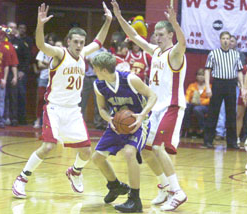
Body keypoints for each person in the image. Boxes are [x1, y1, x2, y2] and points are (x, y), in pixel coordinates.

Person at [12, 2, 112, 198]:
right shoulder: (60, 54)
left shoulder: (83, 54)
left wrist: (108, 21)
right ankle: (22, 178)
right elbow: (41, 45)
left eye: (82, 42)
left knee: (85, 152)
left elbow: (99, 41)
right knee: (48, 146)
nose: (79, 45)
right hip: (55, 109)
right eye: (75, 41)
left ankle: (74, 172)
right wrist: (40, 25)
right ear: (68, 42)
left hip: (73, 110)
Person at [112, 0, 187, 211]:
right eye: (156, 33)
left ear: (170, 35)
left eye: (162, 33)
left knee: (157, 147)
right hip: (155, 109)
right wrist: (119, 17)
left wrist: (174, 22)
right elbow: (134, 36)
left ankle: (177, 192)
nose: (157, 36)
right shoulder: (155, 51)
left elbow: (182, 43)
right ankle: (164, 187)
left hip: (171, 107)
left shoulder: (175, 53)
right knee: (144, 150)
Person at [91, 52, 157, 213]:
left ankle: (135, 199)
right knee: (97, 158)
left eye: (95, 69)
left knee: (129, 153)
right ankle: (115, 186)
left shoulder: (130, 79)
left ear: (104, 70)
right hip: (117, 122)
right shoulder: (99, 85)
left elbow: (152, 95)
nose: (94, 72)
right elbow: (101, 108)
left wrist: (142, 115)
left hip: (138, 121)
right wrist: (109, 120)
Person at [203, 31, 244, 149]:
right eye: (224, 38)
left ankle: (231, 142)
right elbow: (207, 70)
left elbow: (240, 71)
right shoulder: (213, 53)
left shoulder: (235, 54)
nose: (226, 40)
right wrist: (207, 86)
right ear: (220, 40)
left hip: (231, 84)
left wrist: (242, 86)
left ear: (230, 41)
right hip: (218, 83)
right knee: (213, 112)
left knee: (231, 113)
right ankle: (208, 141)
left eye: (228, 38)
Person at [80, 47, 107, 130]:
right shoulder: (87, 50)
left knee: (98, 101)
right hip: (86, 77)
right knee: (82, 101)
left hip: (98, 77)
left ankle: (98, 123)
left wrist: (93, 62)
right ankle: (80, 121)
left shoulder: (104, 51)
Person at [33, 33, 56, 129]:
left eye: (52, 40)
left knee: (52, 101)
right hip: (43, 77)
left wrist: (47, 64)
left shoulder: (57, 52)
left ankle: (50, 122)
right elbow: (39, 65)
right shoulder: (43, 51)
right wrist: (49, 64)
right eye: (49, 40)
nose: (50, 41)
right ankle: (38, 119)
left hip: (54, 79)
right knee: (40, 99)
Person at [183, 68, 210, 137]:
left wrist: (200, 102)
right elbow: (187, 95)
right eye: (199, 75)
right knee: (186, 107)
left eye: (203, 75)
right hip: (193, 104)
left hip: (204, 106)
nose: (201, 77)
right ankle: (188, 128)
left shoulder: (209, 86)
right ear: (196, 76)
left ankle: (202, 128)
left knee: (197, 109)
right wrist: (187, 101)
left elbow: (210, 99)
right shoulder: (192, 85)